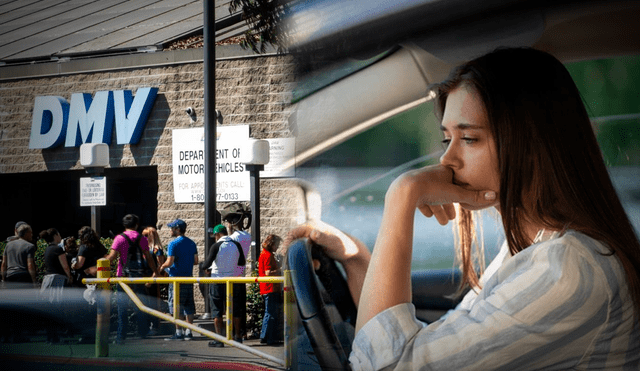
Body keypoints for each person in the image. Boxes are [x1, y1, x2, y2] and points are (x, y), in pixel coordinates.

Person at [288, 47, 640, 370]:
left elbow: (389, 365)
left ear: (534, 145)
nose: (447, 159)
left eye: (469, 139)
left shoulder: (567, 270)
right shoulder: (538, 247)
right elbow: (440, 350)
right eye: (447, 138)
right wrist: (359, 261)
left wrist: (403, 194)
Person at [105, 214, 158, 344]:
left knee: (122, 307)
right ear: (136, 225)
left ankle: (121, 336)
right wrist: (155, 271)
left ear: (124, 225)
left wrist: (99, 265)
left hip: (123, 276)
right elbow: (149, 257)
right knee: (140, 305)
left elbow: (111, 257)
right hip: (138, 276)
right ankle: (142, 333)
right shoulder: (142, 238)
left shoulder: (119, 238)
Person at [199, 224, 246, 347]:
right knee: (235, 308)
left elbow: (206, 264)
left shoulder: (216, 246)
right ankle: (238, 337)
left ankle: (219, 339)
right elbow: (242, 262)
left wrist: (206, 267)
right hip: (233, 280)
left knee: (217, 310)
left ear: (217, 234)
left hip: (218, 280)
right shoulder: (237, 245)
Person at [158, 218, 198, 341]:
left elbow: (170, 262)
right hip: (188, 278)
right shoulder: (191, 243)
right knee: (188, 306)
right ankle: (189, 332)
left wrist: (162, 266)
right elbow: (196, 261)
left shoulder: (173, 244)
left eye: (172, 228)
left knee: (176, 305)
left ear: (177, 229)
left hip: (176, 279)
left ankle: (179, 332)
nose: (170, 230)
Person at [221, 202, 252, 338]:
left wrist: (228, 230)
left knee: (233, 308)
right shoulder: (247, 236)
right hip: (241, 274)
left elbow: (227, 245)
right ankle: (241, 332)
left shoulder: (233, 237)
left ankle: (235, 333)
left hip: (231, 276)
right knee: (240, 306)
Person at [39, 228, 73, 343]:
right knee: (57, 309)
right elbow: (65, 266)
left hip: (47, 280)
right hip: (57, 280)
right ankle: (55, 337)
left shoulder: (48, 249)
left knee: (49, 309)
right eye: (59, 234)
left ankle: (50, 336)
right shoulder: (58, 249)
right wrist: (69, 276)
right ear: (55, 235)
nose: (60, 237)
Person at [258, 234, 282, 345]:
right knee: (271, 313)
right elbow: (268, 273)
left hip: (266, 287)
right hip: (270, 287)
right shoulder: (268, 255)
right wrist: (280, 270)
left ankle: (265, 336)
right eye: (276, 245)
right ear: (272, 244)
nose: (277, 247)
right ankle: (268, 337)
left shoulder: (264, 253)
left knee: (269, 312)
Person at [142, 225, 166, 334]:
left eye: (145, 235)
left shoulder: (157, 249)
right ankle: (146, 326)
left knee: (153, 303)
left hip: (152, 279)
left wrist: (152, 279)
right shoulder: (144, 248)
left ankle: (155, 326)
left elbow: (160, 266)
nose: (143, 237)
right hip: (143, 277)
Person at [1, 222, 37, 286]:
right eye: (30, 233)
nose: (32, 235)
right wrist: (34, 281)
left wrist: (3, 280)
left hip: (10, 277)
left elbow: (4, 263)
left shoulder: (8, 245)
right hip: (24, 277)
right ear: (26, 234)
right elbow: (30, 264)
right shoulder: (30, 246)